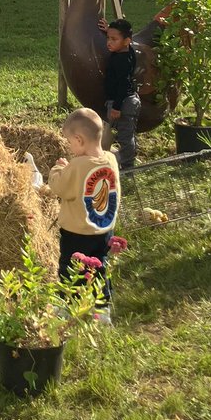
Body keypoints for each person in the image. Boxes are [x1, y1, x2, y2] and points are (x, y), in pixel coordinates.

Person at [48, 107, 121, 314]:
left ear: (79, 140)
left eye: (71, 142)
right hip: (104, 230)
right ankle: (102, 310)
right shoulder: (111, 159)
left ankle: (65, 308)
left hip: (77, 233)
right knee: (100, 268)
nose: (71, 148)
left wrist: (59, 168)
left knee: (70, 270)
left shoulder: (77, 165)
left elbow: (59, 187)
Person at [96, 16, 140, 170]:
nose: (109, 42)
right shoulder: (127, 50)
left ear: (126, 41)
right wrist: (110, 29)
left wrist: (116, 107)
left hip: (123, 103)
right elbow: (122, 38)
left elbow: (123, 84)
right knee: (125, 132)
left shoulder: (122, 61)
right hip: (125, 101)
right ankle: (128, 156)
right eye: (108, 38)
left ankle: (128, 167)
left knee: (125, 136)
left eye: (114, 39)